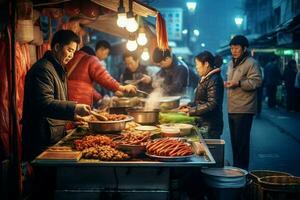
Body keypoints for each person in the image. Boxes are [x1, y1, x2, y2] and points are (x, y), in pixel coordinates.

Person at [22, 30, 92, 162]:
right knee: (43, 180)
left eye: (73, 52)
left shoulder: (58, 69)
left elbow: (57, 103)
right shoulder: (42, 69)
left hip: (52, 136)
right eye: (69, 50)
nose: (71, 55)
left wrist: (72, 117)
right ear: (57, 47)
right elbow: (44, 103)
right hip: (41, 139)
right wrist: (74, 108)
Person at [224, 35, 262, 170]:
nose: (233, 51)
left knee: (242, 144)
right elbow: (231, 80)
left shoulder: (251, 63)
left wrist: (238, 83)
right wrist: (228, 83)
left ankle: (242, 172)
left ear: (244, 48)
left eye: (236, 48)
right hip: (232, 107)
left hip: (244, 108)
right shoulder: (231, 63)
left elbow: (256, 82)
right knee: (234, 142)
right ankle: (237, 170)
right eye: (232, 48)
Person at [66, 46, 137, 107]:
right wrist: (122, 88)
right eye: (106, 53)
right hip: (80, 104)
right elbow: (103, 77)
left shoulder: (69, 61)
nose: (106, 56)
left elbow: (84, 87)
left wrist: (101, 99)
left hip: (66, 104)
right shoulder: (89, 58)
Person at [180, 51, 224, 139]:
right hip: (204, 122)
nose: (196, 67)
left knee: (209, 151)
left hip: (210, 125)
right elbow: (202, 101)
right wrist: (190, 105)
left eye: (197, 64)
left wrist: (191, 111)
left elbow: (212, 104)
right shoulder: (207, 77)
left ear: (206, 64)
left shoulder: (214, 79)